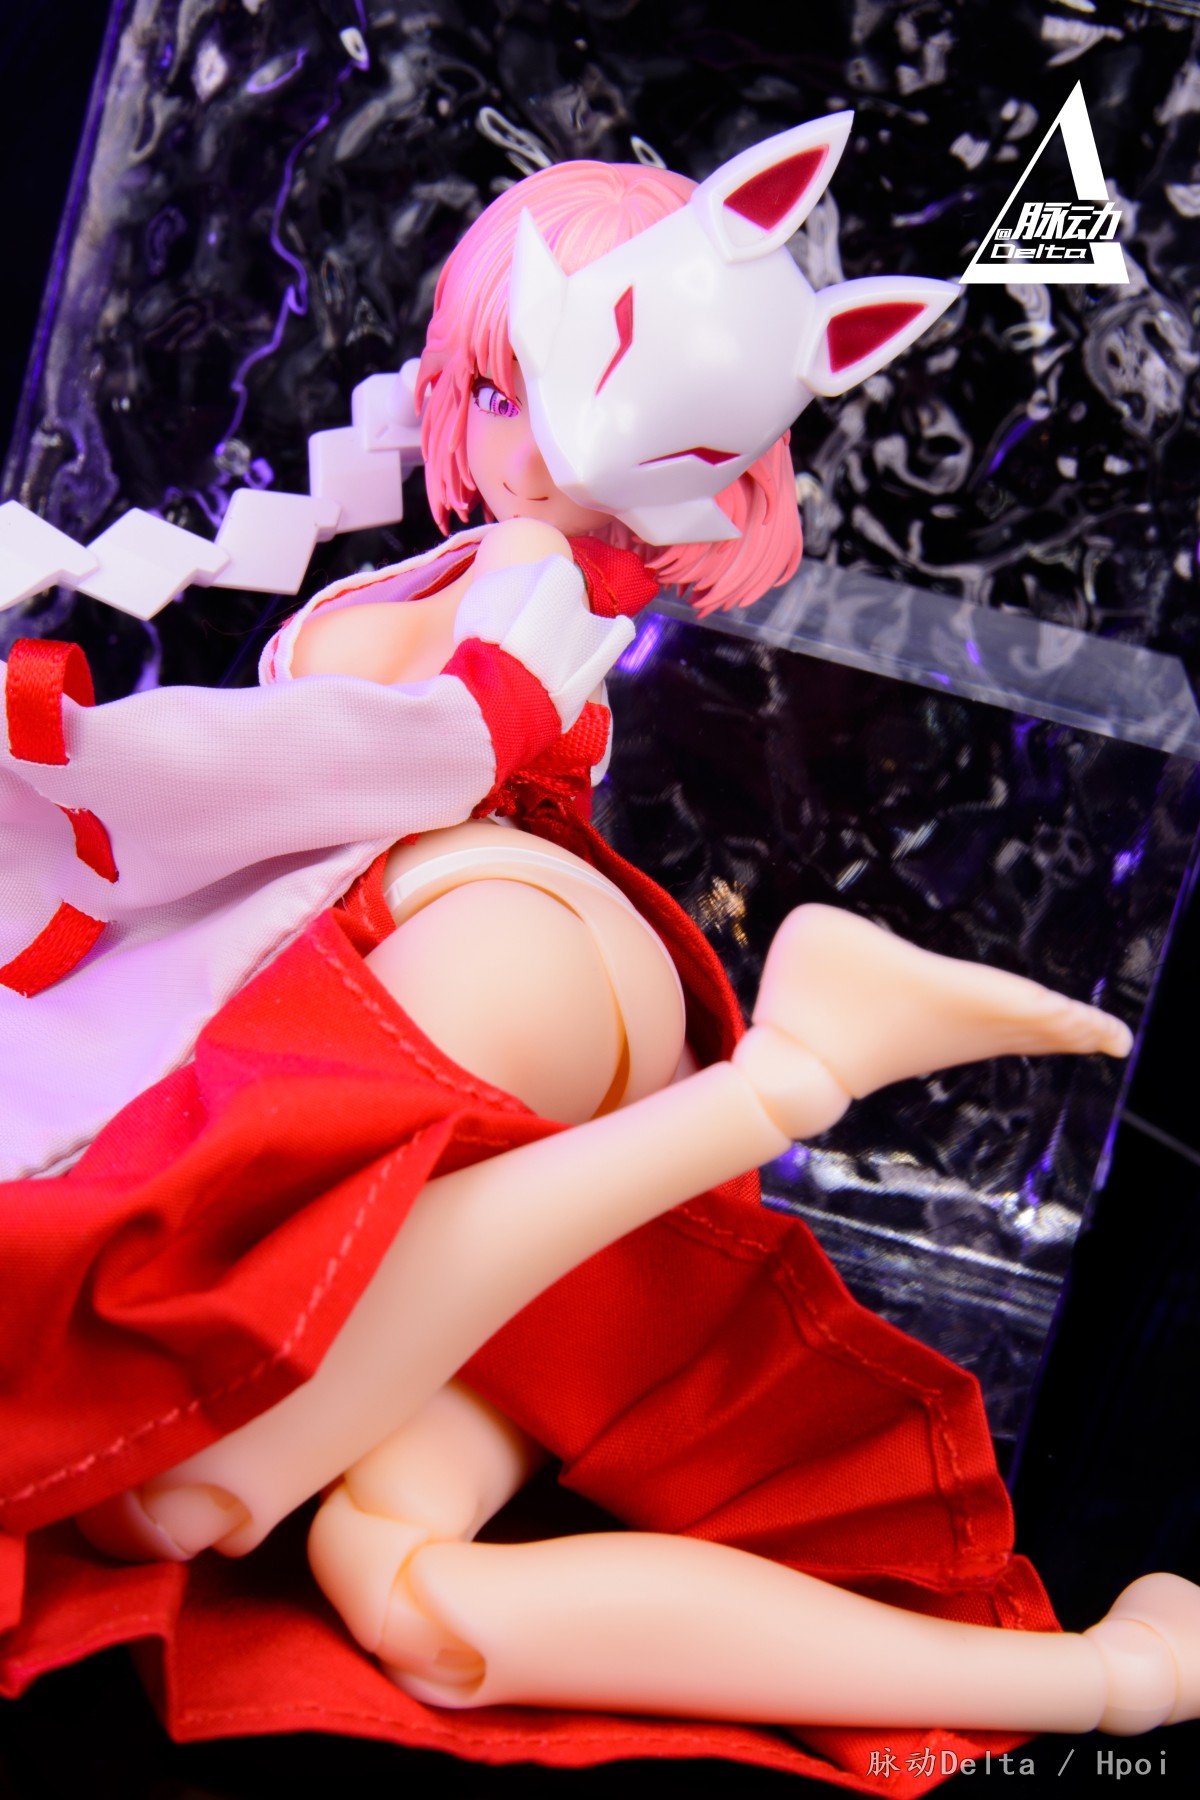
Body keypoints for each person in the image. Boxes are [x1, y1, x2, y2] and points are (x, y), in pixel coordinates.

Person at [1, 129, 1193, 1790]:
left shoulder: (525, 587)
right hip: (547, 1038)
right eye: (490, 392)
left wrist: (101, 788)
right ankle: (1114, 1681)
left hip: (496, 948)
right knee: (398, 1582)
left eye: (534, 396)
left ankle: (778, 1083)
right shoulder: (498, 569)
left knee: (165, 1472)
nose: (508, 445)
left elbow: (432, 736)